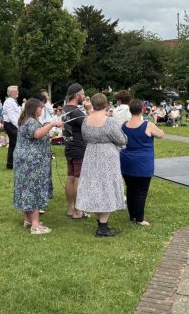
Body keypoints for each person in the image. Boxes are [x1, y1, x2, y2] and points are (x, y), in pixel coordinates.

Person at [76, 93, 127, 237]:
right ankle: (103, 227)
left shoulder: (86, 120)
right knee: (106, 187)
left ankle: (101, 222)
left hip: (91, 154)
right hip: (106, 156)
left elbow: (85, 137)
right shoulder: (109, 121)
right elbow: (121, 140)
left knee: (96, 186)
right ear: (105, 104)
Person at [13, 98, 63, 234]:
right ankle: (35, 226)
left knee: (25, 188)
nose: (41, 109)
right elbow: (37, 134)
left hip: (24, 160)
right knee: (34, 188)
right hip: (32, 162)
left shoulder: (26, 120)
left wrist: (46, 126)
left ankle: (28, 219)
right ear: (34, 108)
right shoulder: (30, 121)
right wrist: (52, 124)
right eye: (40, 107)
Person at [120, 99, 164, 226]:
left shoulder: (124, 125)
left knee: (130, 188)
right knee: (141, 190)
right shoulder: (147, 125)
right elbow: (161, 134)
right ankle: (139, 219)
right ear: (142, 110)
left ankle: (132, 215)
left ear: (130, 110)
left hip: (126, 160)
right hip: (142, 162)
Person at [62, 83, 89, 220]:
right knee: (78, 178)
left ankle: (70, 208)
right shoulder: (76, 112)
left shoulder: (65, 109)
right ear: (77, 95)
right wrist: (89, 110)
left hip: (69, 147)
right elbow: (89, 125)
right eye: (83, 93)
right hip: (79, 148)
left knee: (70, 177)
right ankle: (78, 211)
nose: (84, 96)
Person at [2, 85, 21, 170]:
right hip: (11, 124)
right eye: (17, 91)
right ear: (12, 92)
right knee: (15, 144)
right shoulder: (9, 101)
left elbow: (17, 112)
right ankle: (11, 164)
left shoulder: (12, 101)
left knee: (13, 144)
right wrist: (18, 126)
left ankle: (12, 164)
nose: (18, 92)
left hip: (11, 124)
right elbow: (11, 116)